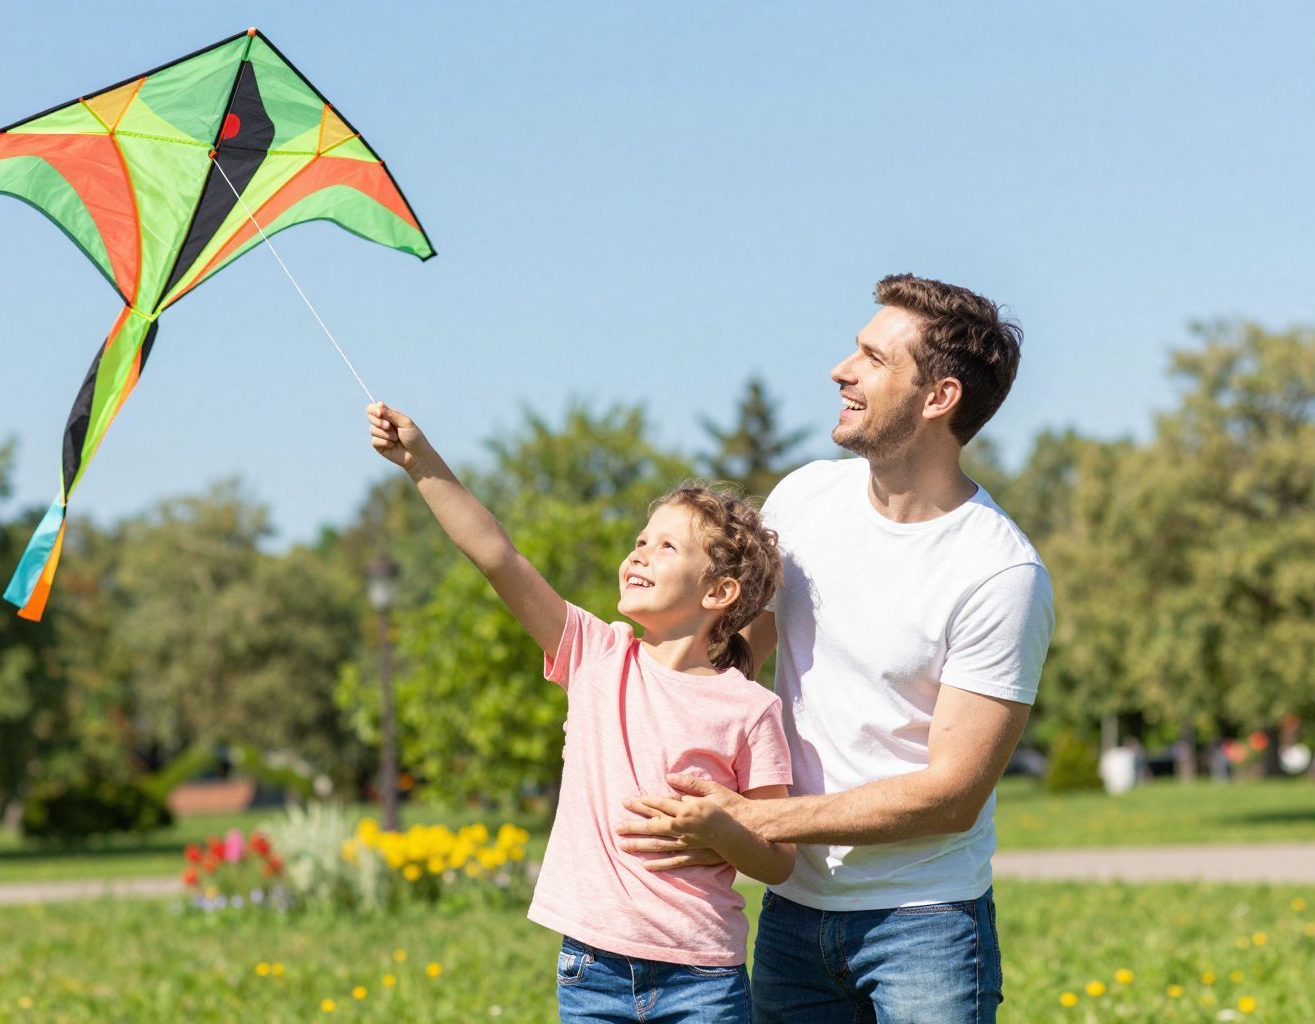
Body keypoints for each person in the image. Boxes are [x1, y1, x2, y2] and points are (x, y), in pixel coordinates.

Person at [615, 274, 1055, 1022]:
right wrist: (642, 674)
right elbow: (738, 653)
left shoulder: (999, 572)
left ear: (937, 398)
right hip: (793, 915)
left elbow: (953, 794)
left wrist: (753, 822)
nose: (840, 370)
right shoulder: (804, 499)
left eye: (872, 358)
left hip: (924, 923)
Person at [367, 401, 796, 1024]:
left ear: (718, 592)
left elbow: (779, 860)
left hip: (703, 976)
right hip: (590, 972)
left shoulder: (751, 709)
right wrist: (420, 461)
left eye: (666, 546)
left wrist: (723, 833)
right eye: (640, 541)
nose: (639, 554)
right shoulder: (597, 656)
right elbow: (499, 558)